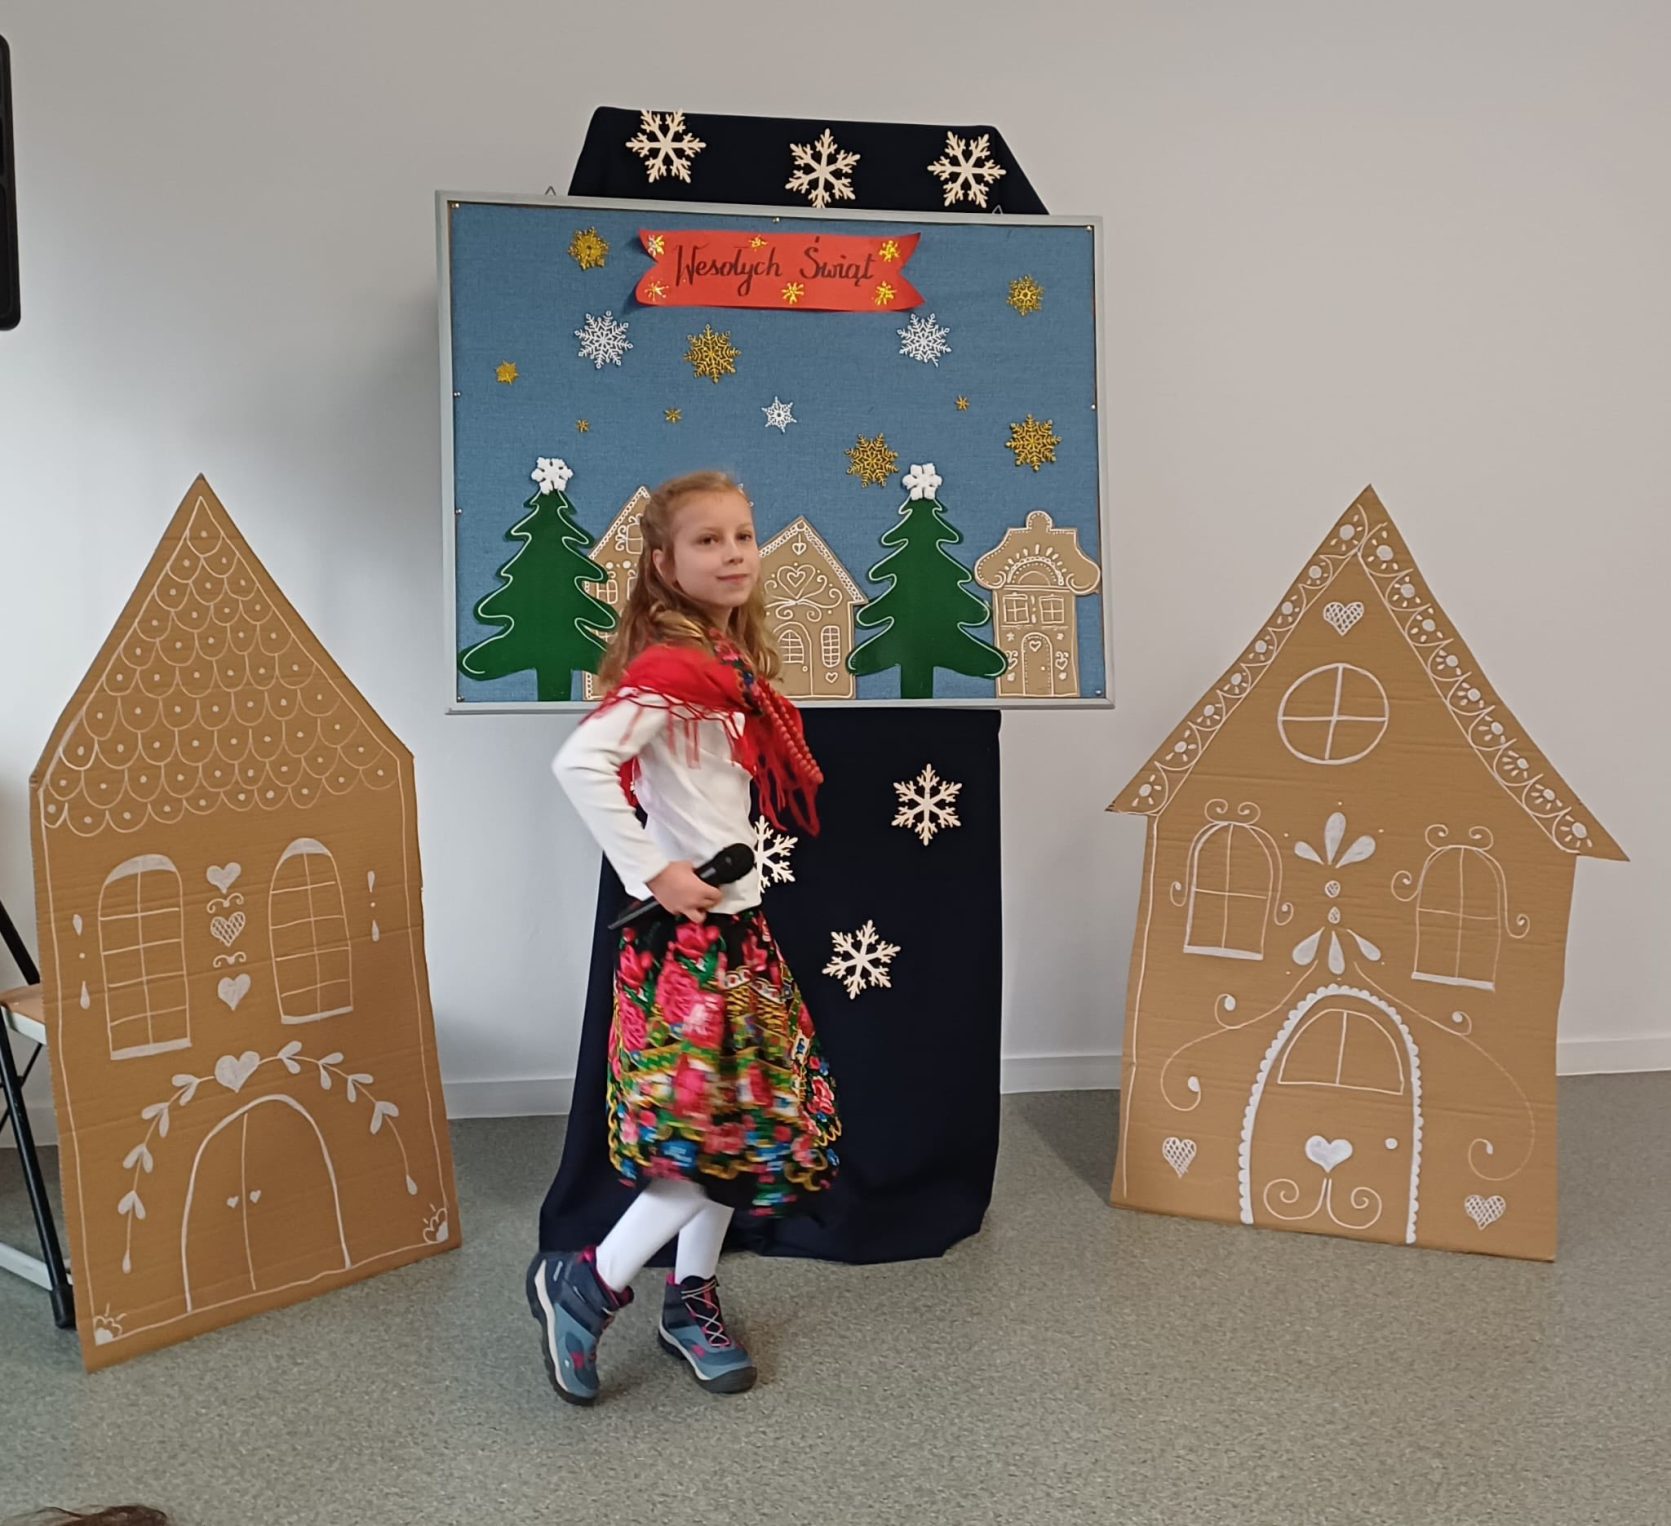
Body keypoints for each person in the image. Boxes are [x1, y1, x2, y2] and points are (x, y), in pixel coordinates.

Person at [527, 469, 839, 1405]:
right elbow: (579, 761)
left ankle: (689, 1298)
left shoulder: (724, 665)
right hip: (687, 942)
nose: (734, 553)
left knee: (740, 1131)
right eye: (708, 540)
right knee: (710, 1141)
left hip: (738, 927)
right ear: (664, 564)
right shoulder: (672, 674)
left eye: (742, 535)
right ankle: (587, 1281)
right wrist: (653, 870)